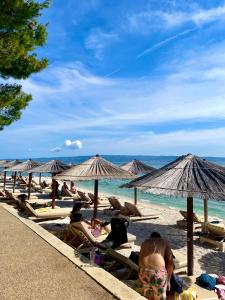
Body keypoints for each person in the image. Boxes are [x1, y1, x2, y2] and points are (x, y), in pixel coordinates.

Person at [138, 232, 174, 300]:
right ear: (159, 237)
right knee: (160, 298)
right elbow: (170, 262)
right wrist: (168, 280)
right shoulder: (164, 242)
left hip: (142, 272)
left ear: (150, 238)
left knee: (149, 297)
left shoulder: (144, 242)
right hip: (157, 273)